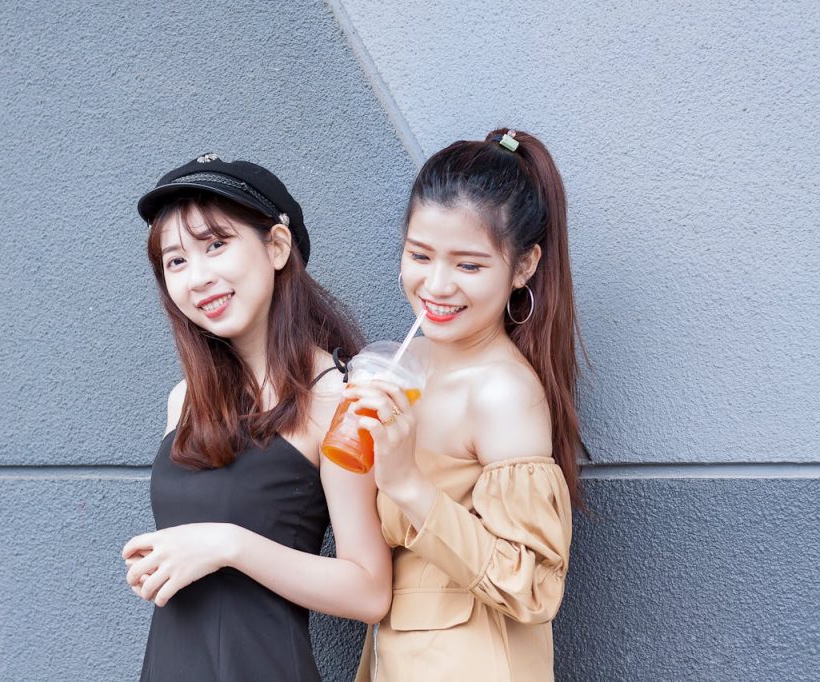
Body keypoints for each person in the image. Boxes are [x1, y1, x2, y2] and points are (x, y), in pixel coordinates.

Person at [123, 153, 392, 682]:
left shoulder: (336, 398)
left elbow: (370, 589)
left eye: (215, 245)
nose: (197, 277)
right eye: (176, 261)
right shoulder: (185, 400)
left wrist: (230, 545)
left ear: (276, 246)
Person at [348, 130, 582, 681]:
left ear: (522, 268)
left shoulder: (502, 392)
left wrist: (409, 484)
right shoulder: (404, 365)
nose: (435, 284)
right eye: (419, 255)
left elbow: (534, 587)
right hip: (397, 657)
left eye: (469, 266)